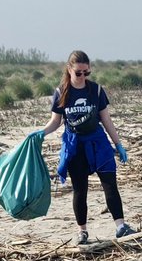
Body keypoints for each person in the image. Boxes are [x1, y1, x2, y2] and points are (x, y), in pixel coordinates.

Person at [34, 50, 135, 244]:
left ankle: (121, 227)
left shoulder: (96, 90)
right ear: (69, 69)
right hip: (75, 146)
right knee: (80, 190)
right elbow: (56, 122)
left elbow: (106, 119)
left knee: (110, 185)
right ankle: (82, 231)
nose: (82, 77)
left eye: (86, 73)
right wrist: (41, 133)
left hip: (98, 144)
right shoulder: (61, 92)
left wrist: (118, 145)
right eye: (78, 72)